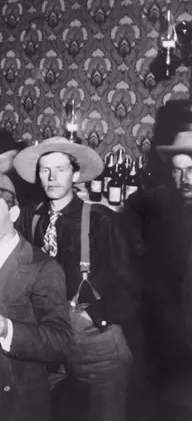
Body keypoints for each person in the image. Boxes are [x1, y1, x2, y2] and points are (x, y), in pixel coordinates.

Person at [14, 137, 138, 421]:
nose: (53, 177)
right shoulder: (31, 217)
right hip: (45, 334)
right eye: (45, 170)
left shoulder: (102, 219)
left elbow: (130, 284)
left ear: (76, 174)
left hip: (93, 339)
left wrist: (94, 317)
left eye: (60, 169)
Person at [0, 173, 72, 421]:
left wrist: (8, 330)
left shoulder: (42, 267)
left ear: (15, 214)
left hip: (11, 390)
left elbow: (61, 341)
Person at [125, 127, 192, 420]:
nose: (184, 179)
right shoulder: (161, 199)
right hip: (168, 321)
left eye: (191, 170)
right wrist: (141, 248)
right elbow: (129, 211)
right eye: (177, 171)